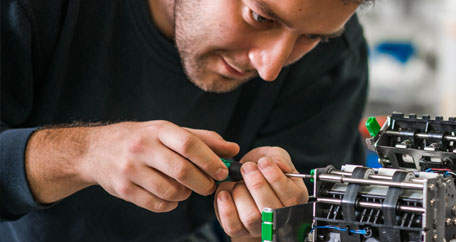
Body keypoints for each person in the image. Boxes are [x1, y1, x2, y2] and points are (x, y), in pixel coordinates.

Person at [0, 0, 370, 241]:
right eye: (261, 17)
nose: (270, 66)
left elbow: (313, 226)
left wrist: (273, 232)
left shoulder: (333, 58)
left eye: (309, 38)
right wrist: (84, 154)